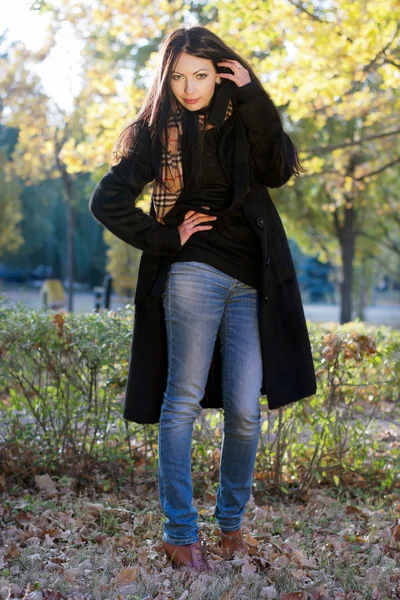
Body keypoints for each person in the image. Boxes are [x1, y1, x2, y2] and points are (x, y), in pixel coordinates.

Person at [89, 26, 317, 573]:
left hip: (251, 278)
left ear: (219, 73)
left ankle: (231, 527)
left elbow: (277, 170)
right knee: (183, 399)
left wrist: (255, 95)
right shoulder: (154, 133)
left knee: (245, 408)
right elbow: (108, 199)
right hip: (193, 269)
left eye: (200, 75)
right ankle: (179, 534)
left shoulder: (244, 116)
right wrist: (167, 238)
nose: (190, 88)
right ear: (166, 79)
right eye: (178, 77)